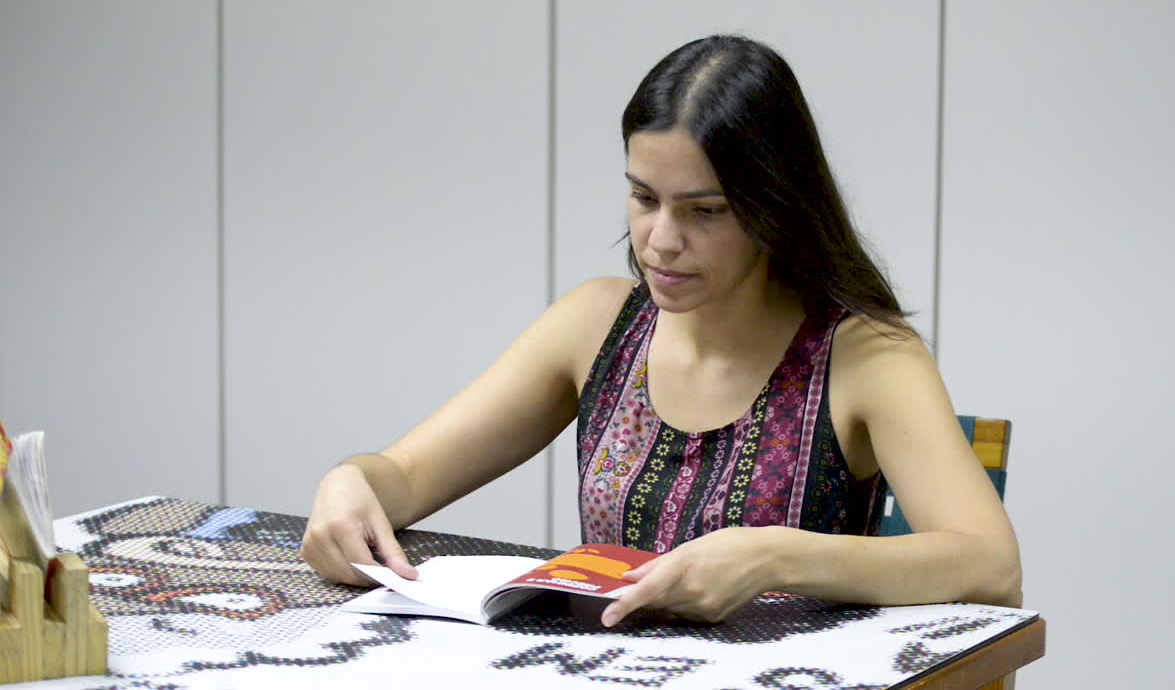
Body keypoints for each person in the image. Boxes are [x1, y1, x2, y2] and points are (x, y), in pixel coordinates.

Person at [301, 35, 1022, 627]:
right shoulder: (596, 325)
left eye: (704, 211)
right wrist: (350, 482)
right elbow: (406, 478)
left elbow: (992, 567)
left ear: (775, 206)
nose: (660, 241)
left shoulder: (866, 356)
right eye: (644, 198)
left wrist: (776, 557)